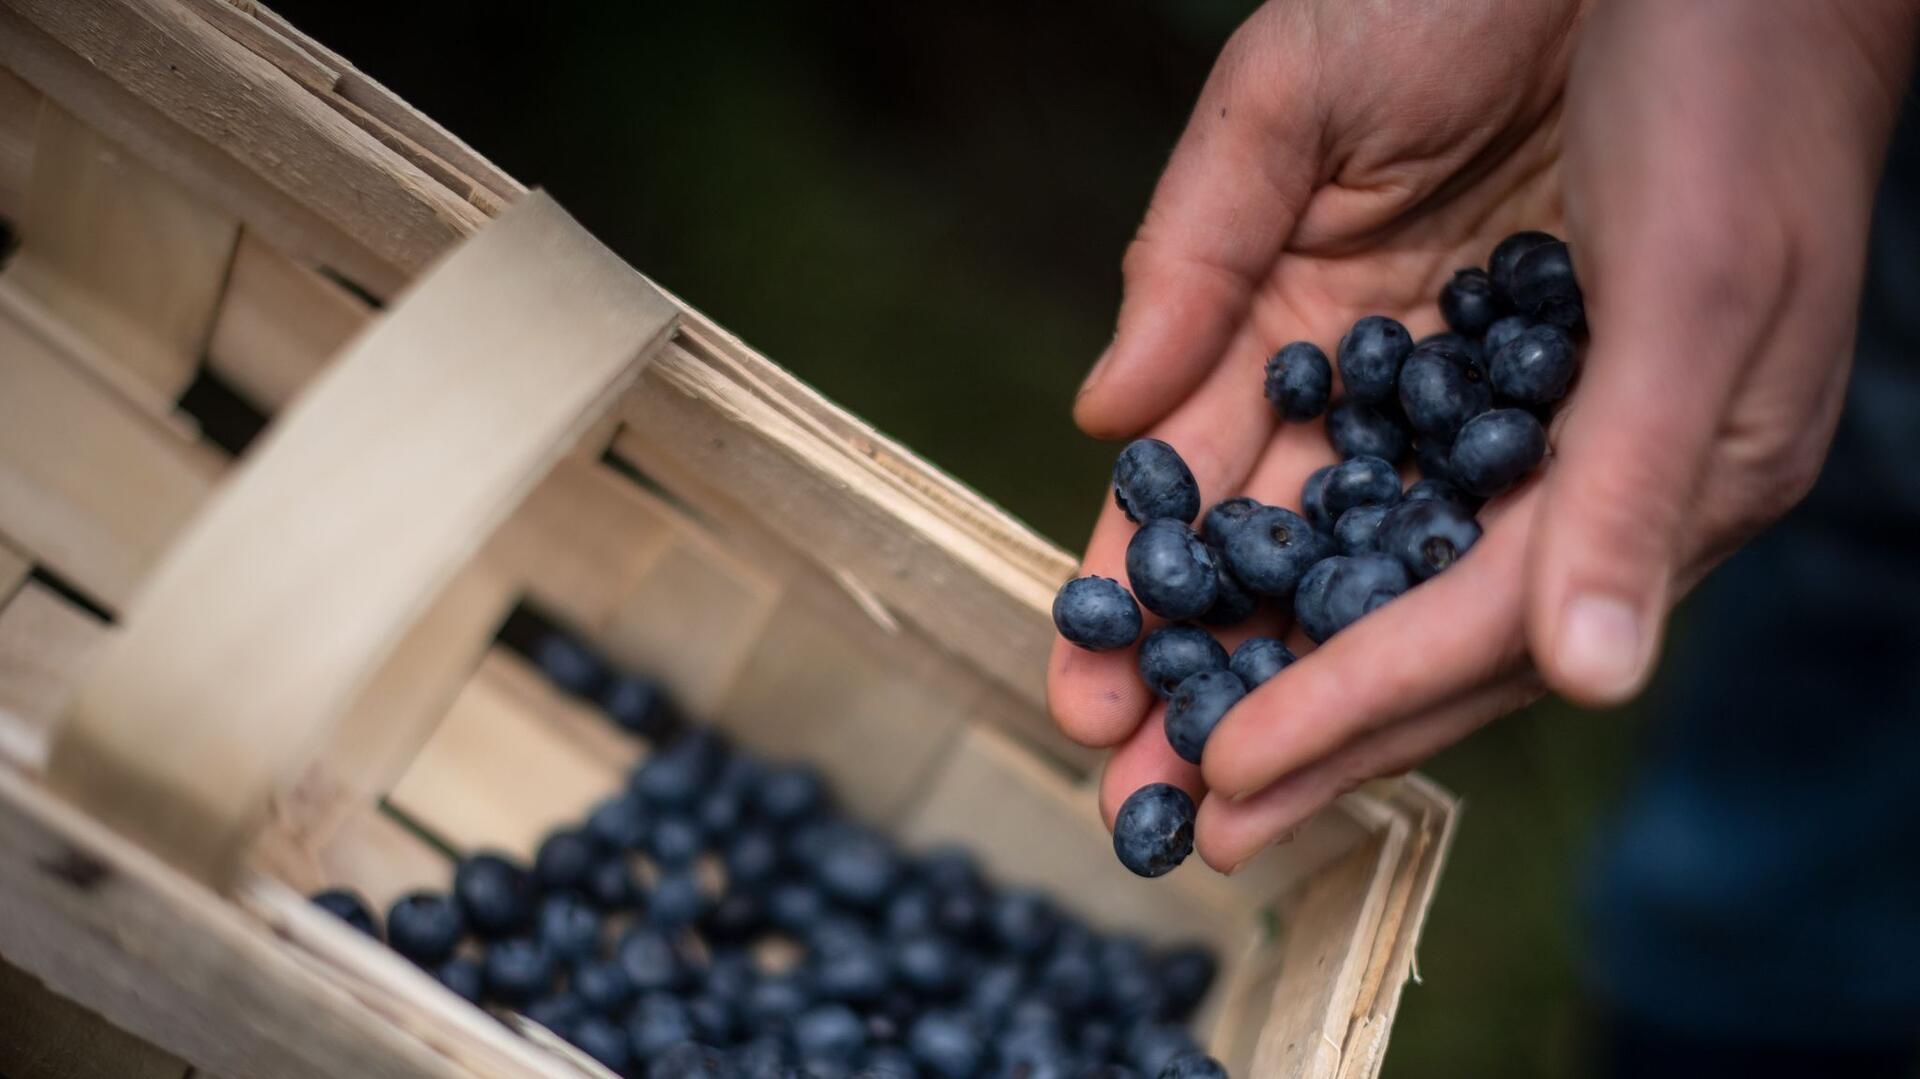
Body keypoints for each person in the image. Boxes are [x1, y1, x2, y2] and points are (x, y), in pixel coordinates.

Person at [1045, 0, 1920, 1072]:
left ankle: (1741, 996)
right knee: (1856, 580)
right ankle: (1727, 999)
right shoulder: (1388, 459)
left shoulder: (1423, 419)